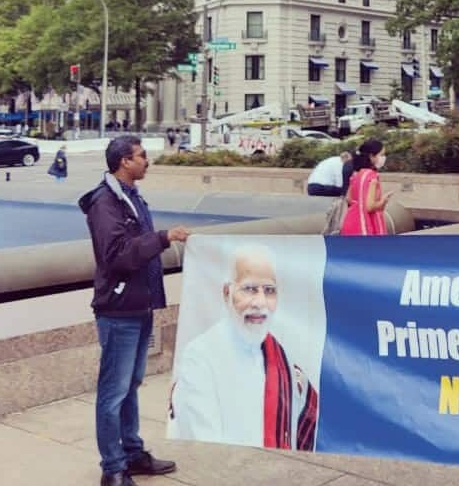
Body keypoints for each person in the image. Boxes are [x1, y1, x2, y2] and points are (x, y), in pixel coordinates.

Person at [79, 135, 190, 486]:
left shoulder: (130, 196)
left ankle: (132, 452)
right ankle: (113, 469)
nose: (147, 161)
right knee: (113, 392)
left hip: (139, 306)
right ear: (124, 162)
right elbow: (117, 256)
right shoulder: (105, 203)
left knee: (130, 385)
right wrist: (162, 238)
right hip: (118, 310)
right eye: (142, 156)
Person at [169, 243, 319, 449]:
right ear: (226, 293)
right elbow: (205, 447)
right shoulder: (200, 358)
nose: (260, 302)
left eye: (269, 290)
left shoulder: (285, 362)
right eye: (249, 289)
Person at [340, 138, 389, 236]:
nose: (384, 158)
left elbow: (349, 198)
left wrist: (359, 204)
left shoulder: (356, 174)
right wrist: (383, 201)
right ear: (372, 156)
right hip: (366, 225)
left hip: (351, 221)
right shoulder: (372, 177)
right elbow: (369, 207)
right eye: (382, 155)